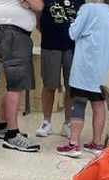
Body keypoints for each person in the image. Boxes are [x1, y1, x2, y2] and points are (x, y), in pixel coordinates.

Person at [56, 0, 109, 158]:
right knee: (99, 105)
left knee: (78, 102)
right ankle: (97, 144)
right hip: (106, 68)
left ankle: (73, 144)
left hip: (87, 66)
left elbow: (73, 33)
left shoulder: (89, 8)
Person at [0, 0, 43, 152]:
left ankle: (1, 126)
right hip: (11, 31)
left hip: (9, 30)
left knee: (13, 81)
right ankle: (12, 135)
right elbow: (38, 5)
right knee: (17, 83)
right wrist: (38, 6)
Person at [36, 0, 84, 138]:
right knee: (49, 84)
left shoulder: (79, 1)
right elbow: (38, 22)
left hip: (72, 47)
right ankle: (46, 122)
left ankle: (68, 123)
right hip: (50, 45)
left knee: (71, 86)